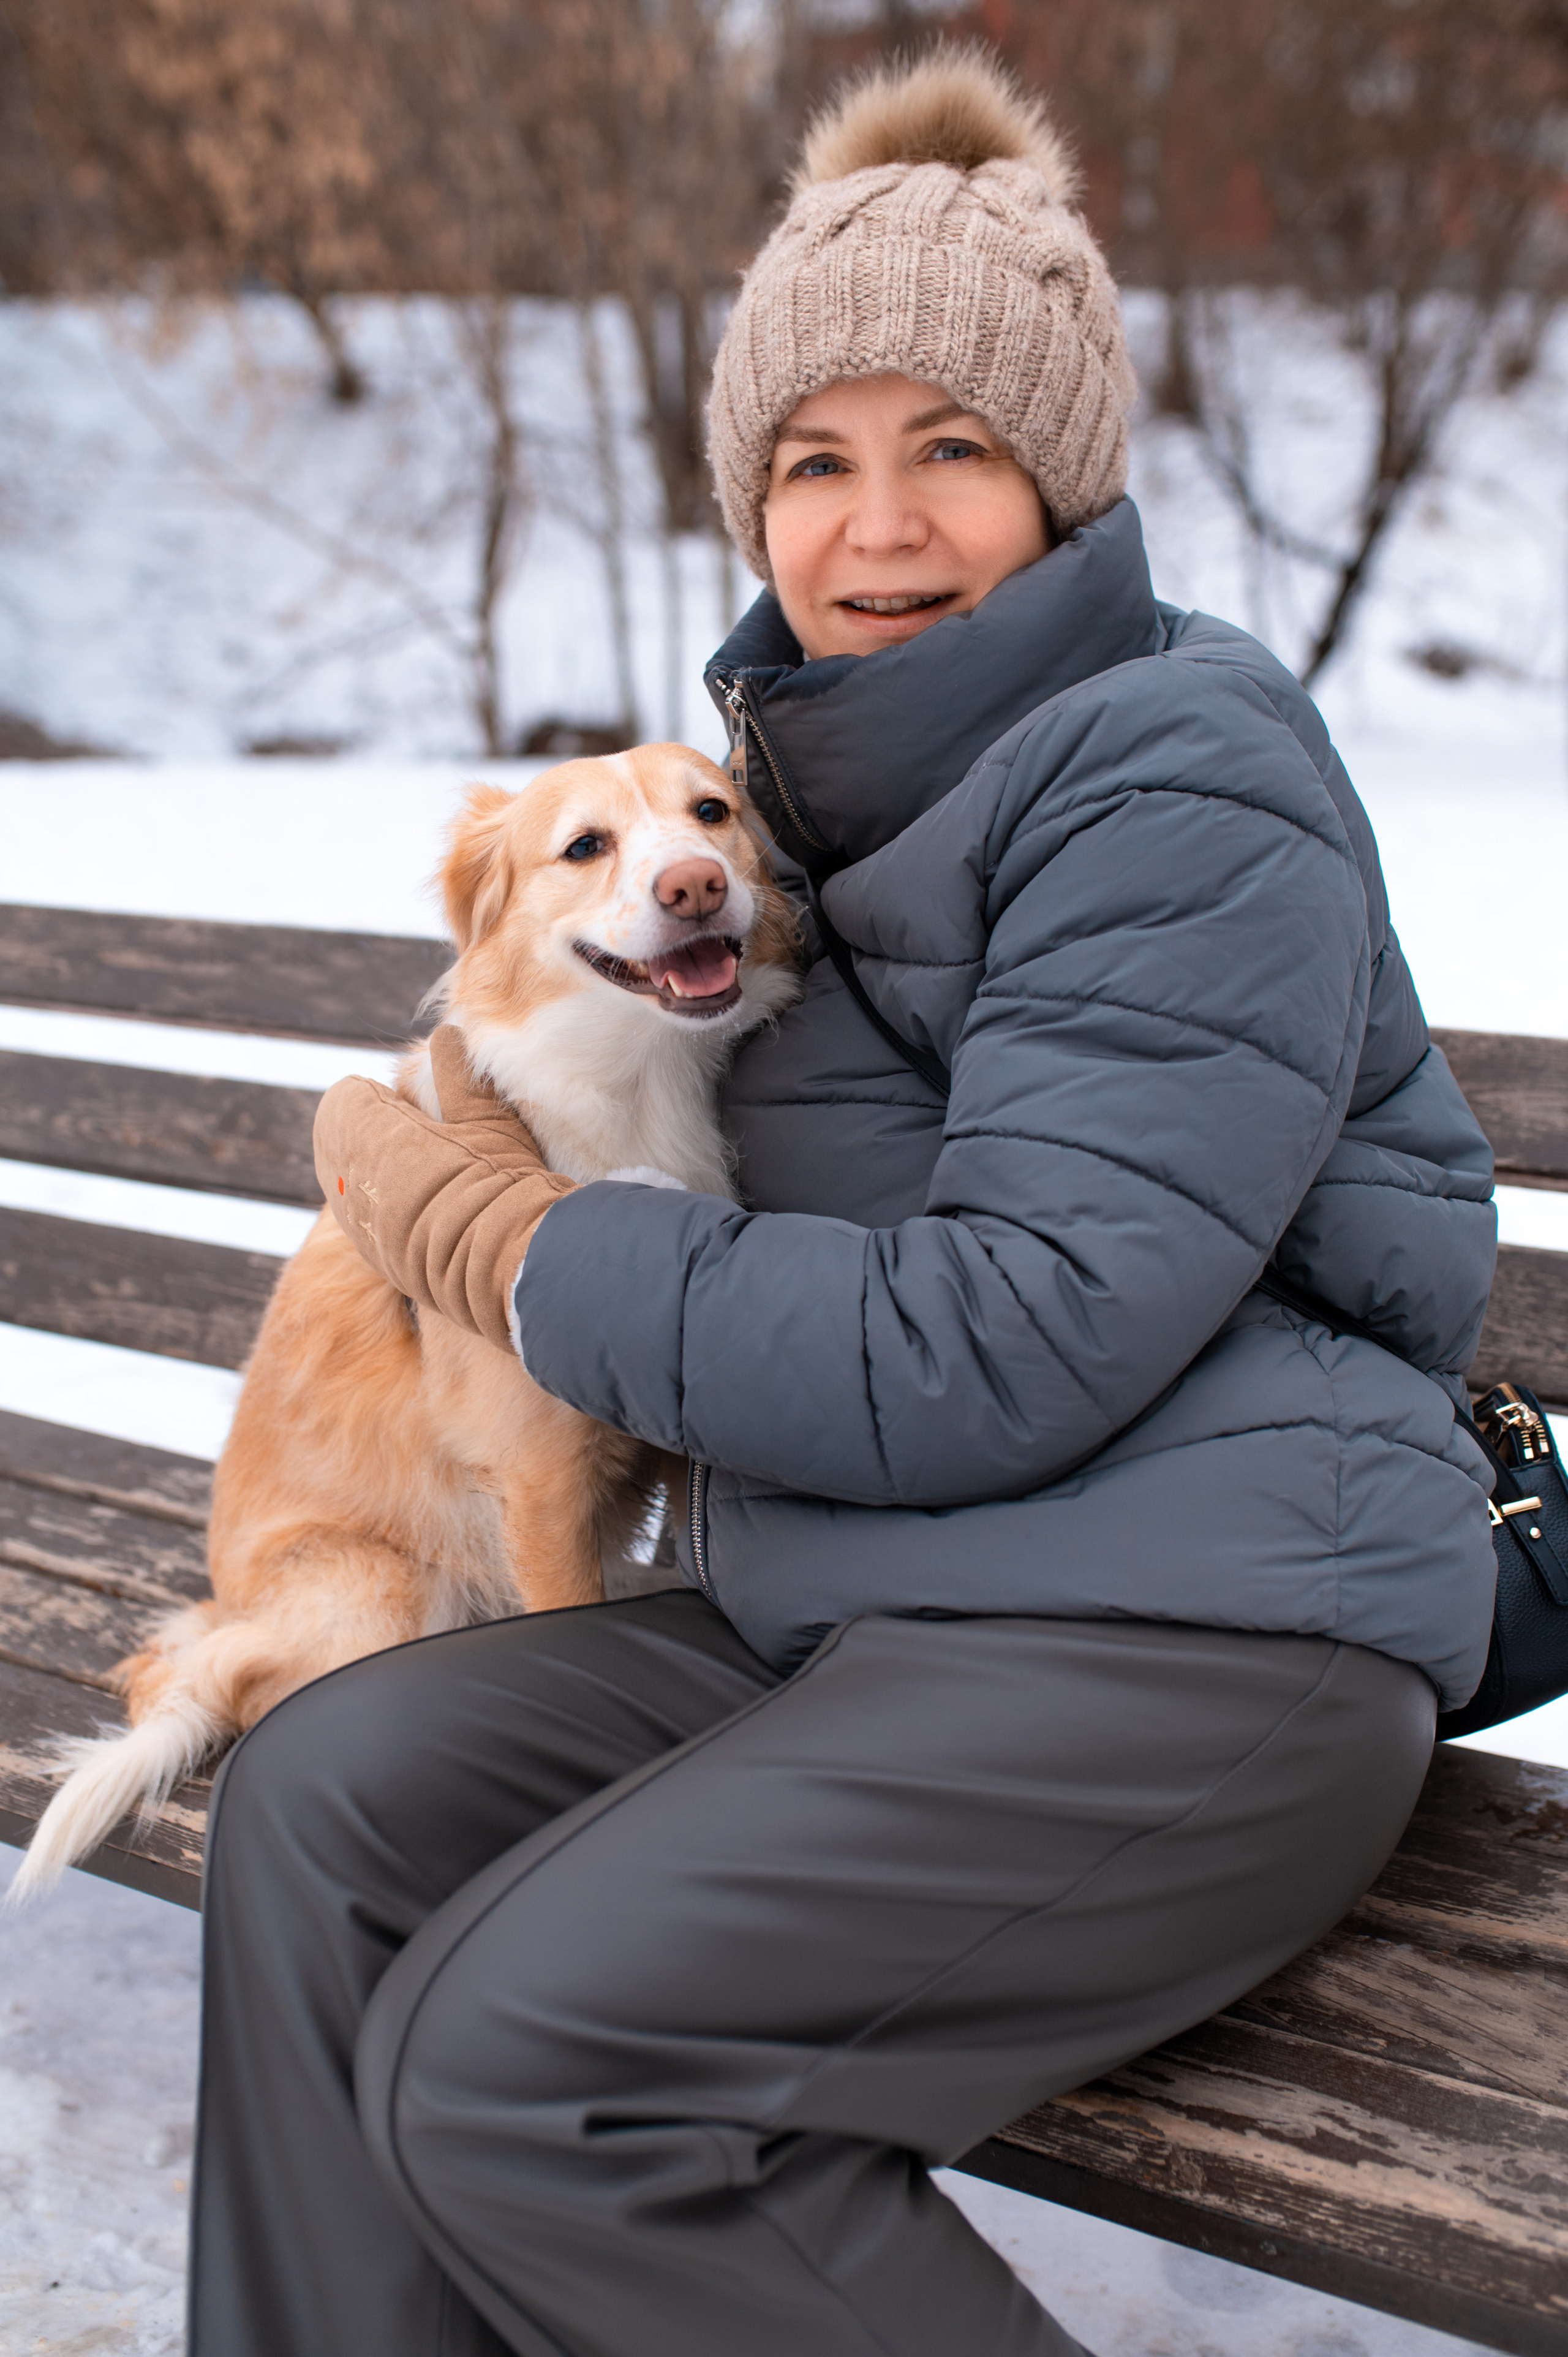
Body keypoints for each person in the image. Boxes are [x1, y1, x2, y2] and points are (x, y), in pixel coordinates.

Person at [185, 47, 1498, 2357]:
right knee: (329, 1797)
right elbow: (577, 1042)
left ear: (1062, 476)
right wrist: (462, 1127)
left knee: (540, 2084)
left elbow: (1004, 1339)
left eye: (951, 448)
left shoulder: (1181, 778)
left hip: (1195, 1640)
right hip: (876, 1598)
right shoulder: (794, 802)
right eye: (814, 461)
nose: (877, 525)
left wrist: (476, 1225)